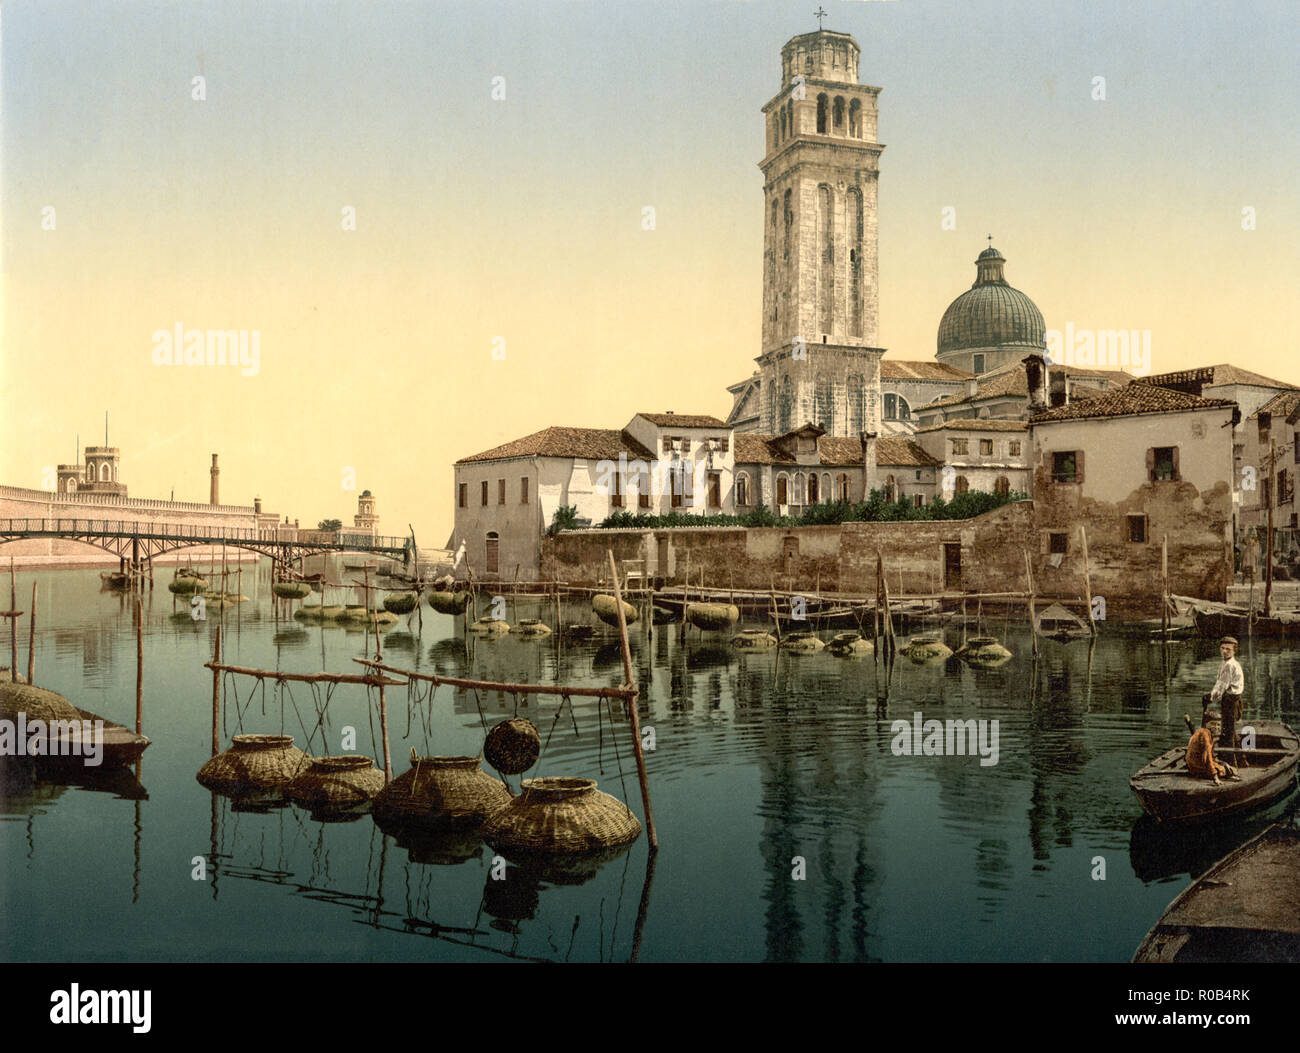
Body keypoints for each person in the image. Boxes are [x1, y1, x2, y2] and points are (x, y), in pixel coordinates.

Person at [1202, 635, 1243, 747]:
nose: (1224, 651)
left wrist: (1210, 697)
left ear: (1234, 650)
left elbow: (1222, 686)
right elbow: (1219, 683)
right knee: (1229, 729)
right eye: (1223, 648)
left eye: (1228, 649)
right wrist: (1211, 695)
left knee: (1228, 731)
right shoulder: (1225, 663)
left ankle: (1231, 757)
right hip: (1229, 699)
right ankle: (1234, 753)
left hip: (1231, 701)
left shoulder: (1230, 665)